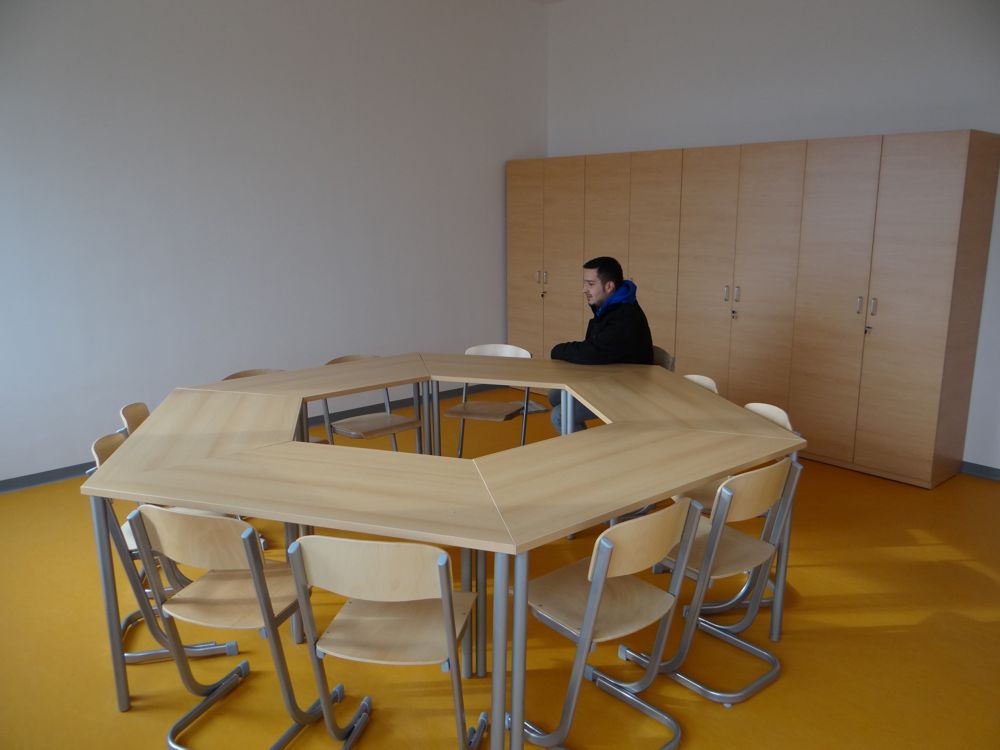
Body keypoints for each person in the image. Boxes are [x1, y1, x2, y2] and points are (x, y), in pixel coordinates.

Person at [549, 256, 654, 432]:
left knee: (560, 415)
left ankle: (587, 449)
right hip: (610, 377)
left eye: (590, 284)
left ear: (609, 286)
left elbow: (592, 352)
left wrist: (558, 350)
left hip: (629, 389)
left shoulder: (624, 316)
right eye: (585, 283)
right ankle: (583, 440)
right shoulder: (608, 306)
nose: (584, 289)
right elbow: (594, 348)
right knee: (555, 395)